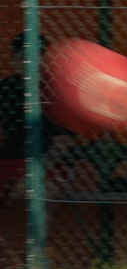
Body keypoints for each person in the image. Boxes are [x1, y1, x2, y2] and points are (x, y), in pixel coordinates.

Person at [0, 33, 76, 206]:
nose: (28, 63)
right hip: (10, 161)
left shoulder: (59, 92)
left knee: (38, 193)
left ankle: (39, 233)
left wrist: (33, 175)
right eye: (22, 57)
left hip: (51, 167)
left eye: (34, 57)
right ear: (14, 61)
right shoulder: (4, 89)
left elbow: (62, 146)